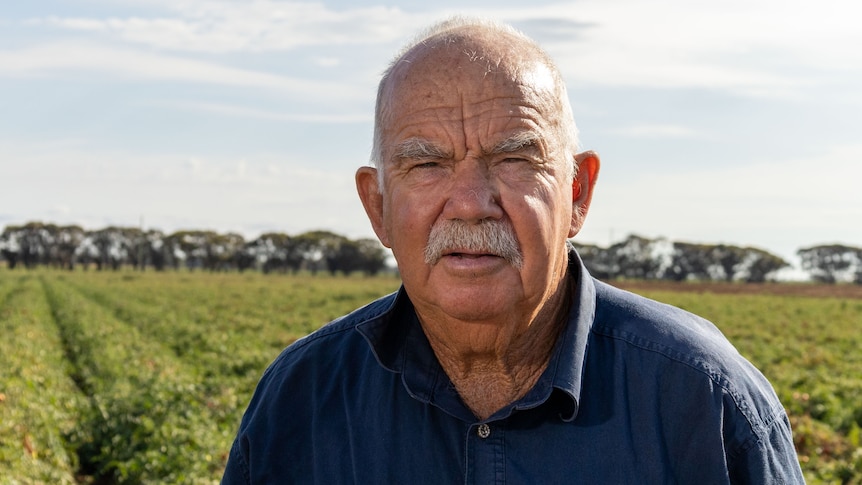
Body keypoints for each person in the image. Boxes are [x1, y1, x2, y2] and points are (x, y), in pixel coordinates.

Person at [222, 17, 804, 484]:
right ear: (377, 207)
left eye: (514, 159)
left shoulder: (704, 398)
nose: (471, 203)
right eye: (427, 164)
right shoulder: (301, 397)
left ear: (578, 193)